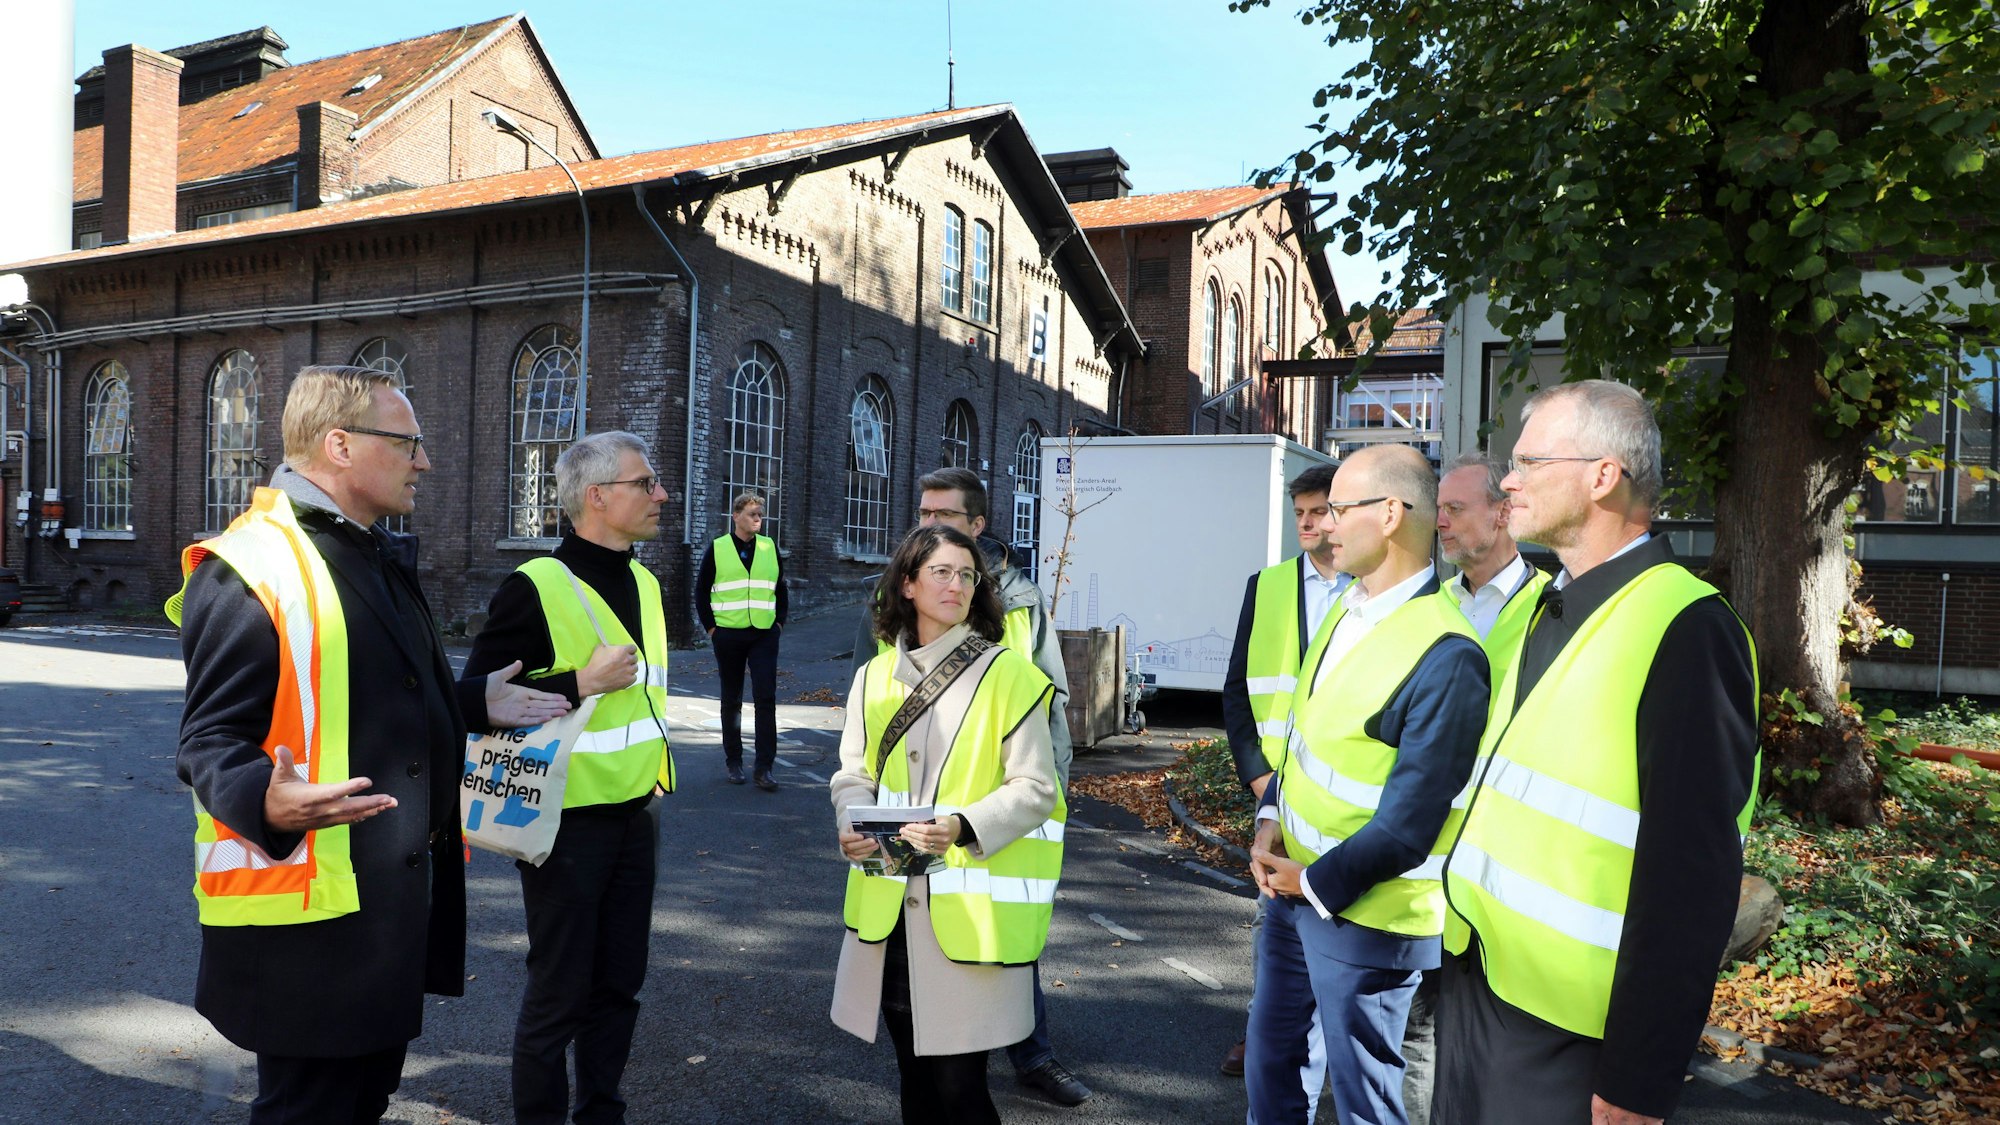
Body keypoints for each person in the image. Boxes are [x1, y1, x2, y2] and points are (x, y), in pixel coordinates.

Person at [170, 366, 571, 1124]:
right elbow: (209, 737)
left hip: (383, 911)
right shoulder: (251, 564)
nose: (425, 461)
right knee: (308, 1110)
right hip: (307, 922)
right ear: (340, 445)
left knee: (360, 1102)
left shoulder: (371, 549)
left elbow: (374, 694)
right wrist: (265, 800)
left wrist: (468, 702)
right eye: (408, 443)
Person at [1436, 381, 1759, 1125]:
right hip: (1481, 980)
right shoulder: (1543, 605)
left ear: (1603, 475)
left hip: (1573, 1028)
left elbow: (1692, 878)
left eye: (1529, 462)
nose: (1509, 481)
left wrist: (1640, 1075)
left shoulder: (1688, 628)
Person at [1244, 444, 1491, 1125]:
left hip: (1368, 919)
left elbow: (1410, 824)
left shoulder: (1448, 653)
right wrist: (1270, 819)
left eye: (1338, 509)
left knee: (1367, 1104)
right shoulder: (1345, 610)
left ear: (1389, 514)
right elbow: (1303, 737)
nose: (1324, 524)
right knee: (1271, 1067)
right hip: (1292, 892)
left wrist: (1310, 882)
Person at [848, 466, 1089, 1107]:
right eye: (939, 572)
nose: (955, 585)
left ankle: (1035, 1057)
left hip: (968, 908)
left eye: (965, 575)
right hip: (891, 899)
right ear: (906, 583)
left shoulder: (1010, 673)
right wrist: (852, 820)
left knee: (961, 1089)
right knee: (914, 1080)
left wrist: (963, 825)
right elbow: (854, 772)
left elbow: (1038, 783)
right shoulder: (873, 676)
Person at [464, 431, 678, 1125]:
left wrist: (655, 778)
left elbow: (646, 704)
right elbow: (470, 700)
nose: (661, 494)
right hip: (563, 828)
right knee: (560, 992)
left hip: (635, 816)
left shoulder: (647, 582)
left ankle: (601, 1114)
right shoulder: (535, 586)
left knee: (619, 987)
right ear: (597, 497)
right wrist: (578, 682)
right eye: (645, 483)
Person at [1217, 463, 1348, 1078]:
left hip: (1350, 790)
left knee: (1342, 913)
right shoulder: (1266, 586)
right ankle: (1264, 1032)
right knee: (1274, 912)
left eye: (1318, 512)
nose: (1306, 523)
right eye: (1299, 514)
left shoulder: (1376, 589)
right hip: (1277, 788)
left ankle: (1329, 1040)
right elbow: (1237, 690)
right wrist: (1257, 779)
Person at [697, 491, 787, 789]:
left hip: (764, 634)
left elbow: (780, 588)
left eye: (760, 514)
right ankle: (734, 762)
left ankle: (764, 768)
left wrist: (779, 623)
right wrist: (712, 629)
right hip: (728, 634)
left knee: (765, 698)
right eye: (752, 514)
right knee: (731, 699)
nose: (758, 519)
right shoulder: (718, 548)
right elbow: (701, 591)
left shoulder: (769, 547)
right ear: (736, 516)